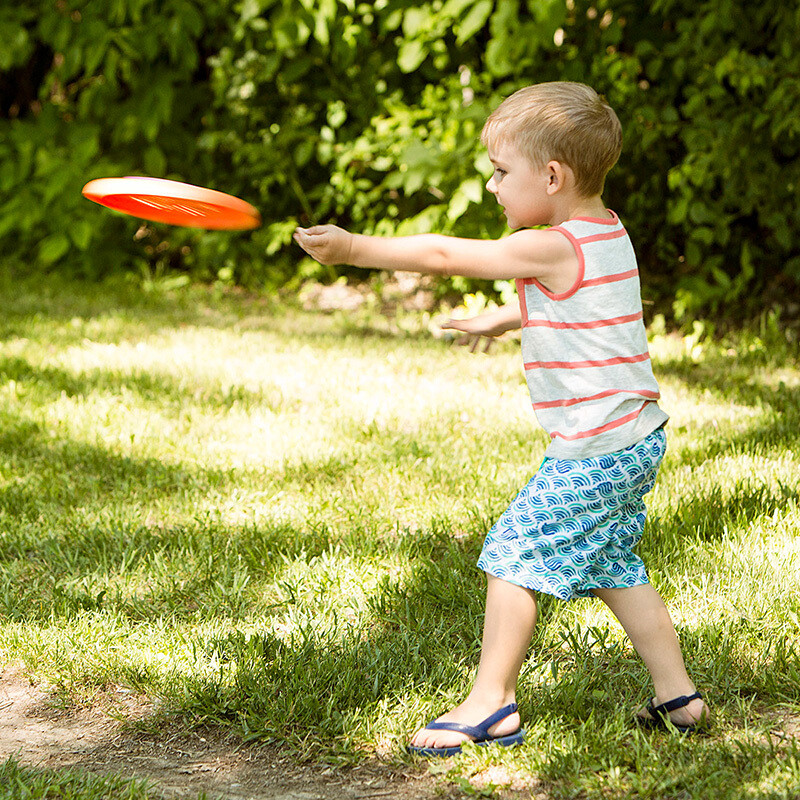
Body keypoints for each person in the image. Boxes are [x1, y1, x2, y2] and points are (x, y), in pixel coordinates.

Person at [293, 81, 710, 757]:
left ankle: (492, 703)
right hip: (636, 435)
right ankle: (678, 697)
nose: (491, 187)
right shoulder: (606, 231)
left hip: (596, 446)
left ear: (552, 176)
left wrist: (352, 250)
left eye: (499, 172)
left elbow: (441, 255)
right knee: (611, 563)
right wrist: (506, 314)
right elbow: (586, 307)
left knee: (512, 552)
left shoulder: (551, 246)